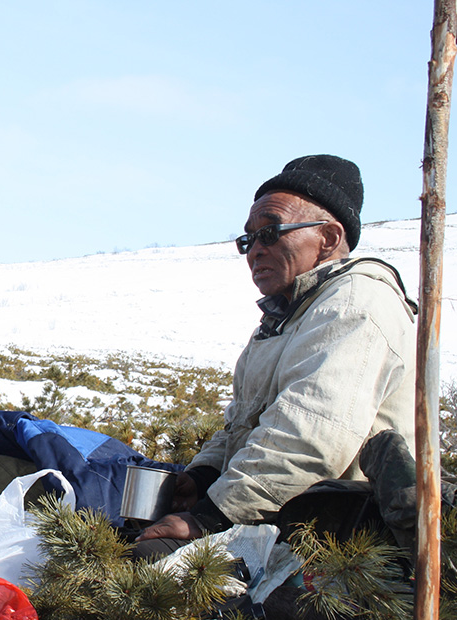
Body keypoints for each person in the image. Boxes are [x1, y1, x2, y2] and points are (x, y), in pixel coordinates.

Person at [137, 154, 417, 556]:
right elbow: (242, 423)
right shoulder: (283, 319)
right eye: (248, 239)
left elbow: (310, 440)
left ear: (329, 238)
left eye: (271, 233)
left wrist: (208, 517)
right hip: (279, 522)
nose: (255, 251)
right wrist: (200, 477)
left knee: (149, 563)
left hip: (344, 546)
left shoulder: (356, 304)